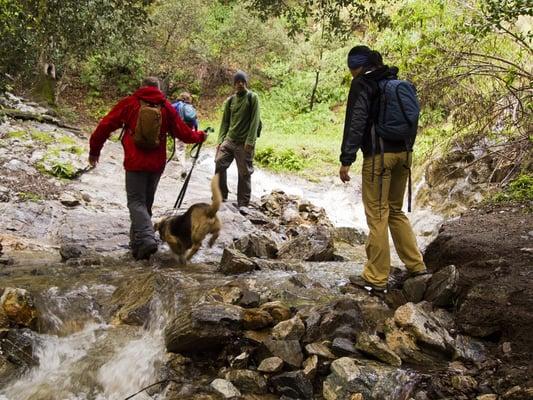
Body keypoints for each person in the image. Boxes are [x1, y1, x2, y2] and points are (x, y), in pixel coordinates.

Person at [339, 46, 428, 293]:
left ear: (356, 67)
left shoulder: (363, 84)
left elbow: (356, 122)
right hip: (404, 154)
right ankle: (417, 266)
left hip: (379, 157)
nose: (351, 75)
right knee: (395, 211)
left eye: (351, 70)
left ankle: (376, 277)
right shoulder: (394, 81)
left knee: (378, 214)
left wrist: (347, 159)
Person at [88, 77, 206, 260]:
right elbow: (184, 133)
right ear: (159, 89)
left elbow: (105, 125)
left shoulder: (130, 103)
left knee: (136, 202)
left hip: (135, 162)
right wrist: (200, 136)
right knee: (145, 204)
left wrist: (94, 151)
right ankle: (137, 246)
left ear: (142, 86)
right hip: (156, 164)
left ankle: (146, 237)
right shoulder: (166, 107)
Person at [215, 70, 261, 209]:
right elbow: (225, 122)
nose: (240, 84)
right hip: (230, 139)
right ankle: (221, 194)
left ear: (246, 83)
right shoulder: (230, 101)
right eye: (237, 82)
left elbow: (255, 121)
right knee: (219, 162)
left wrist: (250, 141)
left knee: (244, 172)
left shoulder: (252, 97)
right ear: (234, 84)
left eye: (242, 82)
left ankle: (243, 203)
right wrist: (220, 140)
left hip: (244, 142)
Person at [172, 92, 199, 176]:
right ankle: (177, 159)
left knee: (180, 149)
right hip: (189, 131)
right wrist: (196, 132)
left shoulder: (177, 105)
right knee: (182, 147)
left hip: (180, 130)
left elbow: (168, 111)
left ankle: (183, 168)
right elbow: (195, 121)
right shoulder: (191, 107)